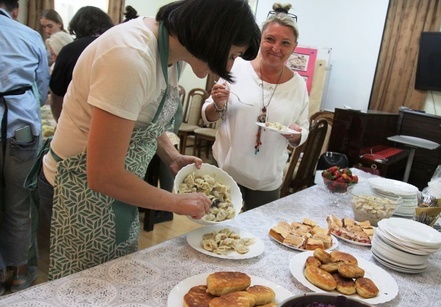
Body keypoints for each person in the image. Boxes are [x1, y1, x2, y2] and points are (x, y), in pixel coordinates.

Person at [38, 0, 260, 280]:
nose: (229, 66)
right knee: (87, 287)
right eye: (233, 55)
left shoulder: (171, 54)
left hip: (117, 188)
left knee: (112, 276)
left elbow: (144, 118)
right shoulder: (130, 58)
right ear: (213, 37)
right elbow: (103, 175)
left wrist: (171, 155)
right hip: (78, 188)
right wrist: (176, 202)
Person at [202, 3, 309, 211]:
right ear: (260, 39)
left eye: (285, 43)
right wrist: (217, 103)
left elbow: (303, 127)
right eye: (270, 39)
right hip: (226, 173)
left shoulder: (298, 85)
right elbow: (208, 115)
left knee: (258, 240)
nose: (276, 48)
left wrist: (297, 135)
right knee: (216, 238)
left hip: (267, 182)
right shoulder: (237, 67)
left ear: (294, 47)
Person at [0, 0, 50, 294]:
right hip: (22, 129)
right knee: (19, 206)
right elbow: (42, 91)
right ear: (15, 9)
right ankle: (19, 274)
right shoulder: (30, 36)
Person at [49, 6, 114, 121]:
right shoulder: (117, 47)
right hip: (112, 116)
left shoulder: (69, 51)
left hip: (77, 118)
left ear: (75, 27)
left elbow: (57, 96)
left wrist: (60, 122)